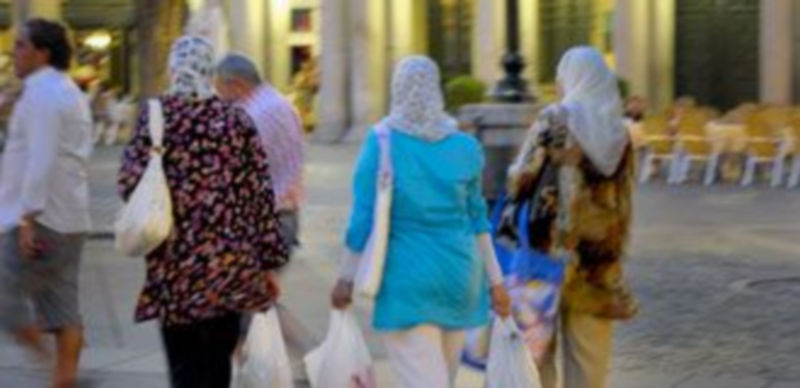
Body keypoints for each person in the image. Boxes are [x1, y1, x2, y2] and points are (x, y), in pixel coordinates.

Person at [330, 56, 511, 388]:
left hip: (406, 281)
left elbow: (362, 219)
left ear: (397, 90)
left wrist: (346, 277)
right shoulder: (466, 147)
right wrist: (497, 283)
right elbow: (478, 221)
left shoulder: (381, 141)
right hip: (459, 279)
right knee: (443, 379)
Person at [118, 36, 288, 388]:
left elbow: (129, 184)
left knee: (184, 367)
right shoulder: (237, 120)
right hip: (229, 269)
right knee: (217, 366)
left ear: (173, 69)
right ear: (210, 72)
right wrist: (268, 263)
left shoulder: (156, 117)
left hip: (174, 268)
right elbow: (259, 198)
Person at [505, 46, 638, 388]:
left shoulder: (555, 119)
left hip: (546, 253)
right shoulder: (621, 134)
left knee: (537, 356)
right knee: (590, 362)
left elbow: (522, 179)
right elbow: (624, 198)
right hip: (597, 259)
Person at [0, 19, 93, 388]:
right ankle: (64, 378)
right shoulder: (66, 90)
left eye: (21, 45)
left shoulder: (43, 96)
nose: (13, 52)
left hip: (41, 219)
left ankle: (51, 366)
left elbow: (42, 158)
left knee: (4, 296)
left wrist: (27, 218)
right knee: (63, 306)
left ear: (43, 53)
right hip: (70, 217)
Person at [214, 53, 311, 381]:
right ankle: (305, 359)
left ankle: (310, 357)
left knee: (246, 305)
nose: (218, 95)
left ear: (237, 84)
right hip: (285, 217)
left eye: (220, 88)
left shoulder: (251, 115)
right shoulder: (281, 104)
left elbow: (236, 177)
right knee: (253, 303)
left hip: (265, 221)